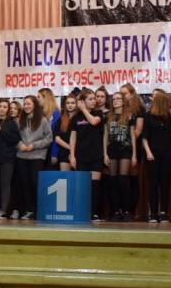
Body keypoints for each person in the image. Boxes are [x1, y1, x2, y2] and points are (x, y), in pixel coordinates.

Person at [13, 95, 53, 220]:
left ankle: (37, 210)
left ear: (35, 105)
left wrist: (34, 145)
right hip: (22, 156)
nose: (26, 106)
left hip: (37, 156)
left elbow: (49, 138)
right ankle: (29, 210)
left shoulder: (43, 120)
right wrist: (19, 144)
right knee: (24, 184)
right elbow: (13, 137)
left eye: (29, 104)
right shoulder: (19, 121)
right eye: (24, 104)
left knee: (35, 183)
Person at [69, 89, 104, 221]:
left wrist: (83, 109)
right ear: (83, 101)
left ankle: (94, 213)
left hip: (96, 155)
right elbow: (73, 137)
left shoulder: (98, 113)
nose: (94, 101)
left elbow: (94, 122)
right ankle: (83, 212)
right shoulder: (76, 118)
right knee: (82, 186)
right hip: (81, 156)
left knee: (95, 185)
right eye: (90, 99)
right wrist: (72, 155)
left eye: (94, 98)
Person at [142, 89, 171, 223]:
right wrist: (148, 152)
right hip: (152, 153)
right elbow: (144, 137)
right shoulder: (148, 116)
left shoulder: (168, 116)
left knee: (165, 183)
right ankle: (153, 213)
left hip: (166, 153)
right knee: (153, 183)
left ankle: (164, 212)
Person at [104, 91, 136, 222]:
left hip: (125, 150)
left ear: (123, 101)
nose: (116, 101)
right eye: (114, 99)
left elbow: (133, 135)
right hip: (112, 150)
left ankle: (127, 211)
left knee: (123, 181)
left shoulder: (129, 116)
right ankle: (116, 211)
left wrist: (134, 154)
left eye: (118, 98)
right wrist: (105, 153)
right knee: (113, 182)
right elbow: (105, 136)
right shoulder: (108, 116)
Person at [120, 83, 145, 221]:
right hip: (120, 147)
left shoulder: (139, 108)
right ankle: (122, 209)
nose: (122, 96)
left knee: (133, 177)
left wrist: (128, 140)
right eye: (121, 94)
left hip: (133, 146)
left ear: (132, 94)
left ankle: (132, 210)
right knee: (123, 179)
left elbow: (138, 130)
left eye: (125, 93)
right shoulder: (121, 108)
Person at [37, 88, 61, 170]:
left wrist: (54, 154)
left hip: (51, 152)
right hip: (40, 152)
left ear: (45, 98)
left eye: (38, 97)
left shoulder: (56, 114)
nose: (37, 99)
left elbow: (56, 135)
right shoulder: (40, 114)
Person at [54, 94, 77, 172]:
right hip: (64, 152)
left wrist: (73, 151)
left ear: (77, 104)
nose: (70, 105)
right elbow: (57, 139)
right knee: (65, 177)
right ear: (65, 105)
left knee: (78, 177)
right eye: (68, 103)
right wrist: (70, 148)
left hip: (79, 152)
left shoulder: (80, 118)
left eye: (73, 103)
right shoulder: (61, 119)